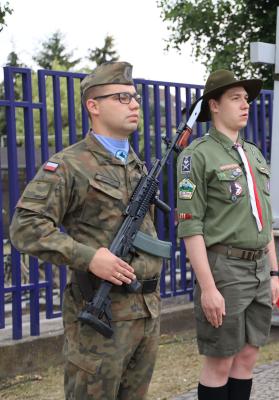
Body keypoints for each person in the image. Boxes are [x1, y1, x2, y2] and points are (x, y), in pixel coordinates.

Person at [9, 61, 162, 399]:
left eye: (134, 97)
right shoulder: (69, 165)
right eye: (122, 97)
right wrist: (90, 258)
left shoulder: (137, 165)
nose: (134, 104)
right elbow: (26, 227)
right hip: (100, 316)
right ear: (93, 106)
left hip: (146, 310)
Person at [176, 69, 279, 400]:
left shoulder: (253, 154)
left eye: (246, 99)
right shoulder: (198, 155)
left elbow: (261, 219)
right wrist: (208, 288)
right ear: (215, 105)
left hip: (259, 269)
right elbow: (190, 227)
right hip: (225, 269)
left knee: (248, 356)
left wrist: (275, 271)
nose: (245, 105)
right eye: (235, 98)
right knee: (219, 362)